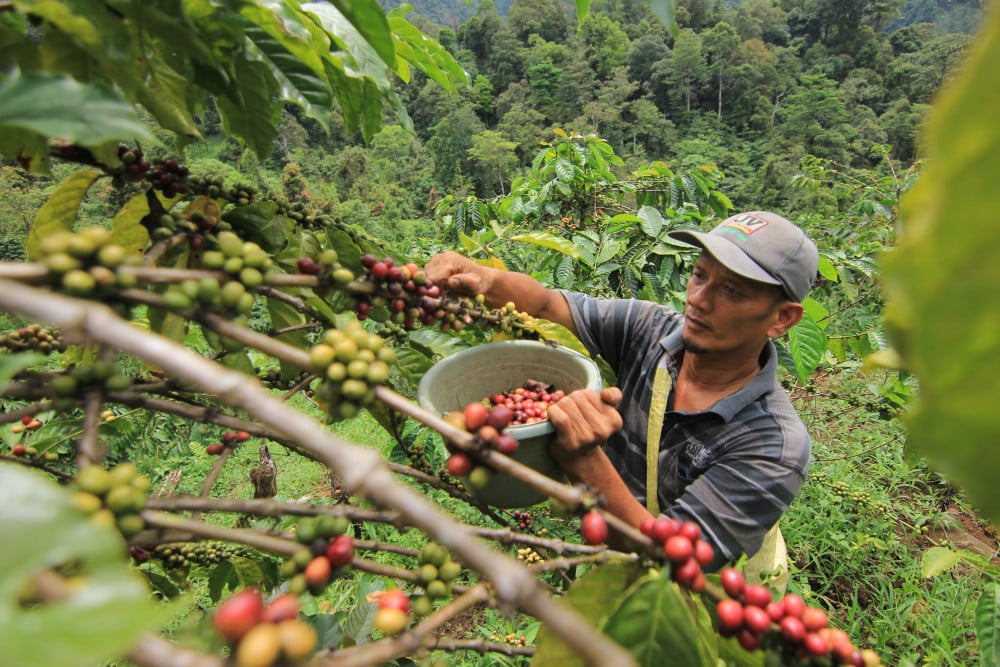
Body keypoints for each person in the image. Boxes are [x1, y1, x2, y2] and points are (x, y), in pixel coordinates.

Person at [425, 211, 818, 572]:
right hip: (614, 550)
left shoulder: (774, 445)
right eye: (699, 276)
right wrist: (485, 280)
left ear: (782, 318)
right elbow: (546, 306)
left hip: (705, 602)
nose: (698, 300)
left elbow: (672, 561)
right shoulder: (650, 329)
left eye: (731, 291)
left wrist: (584, 461)